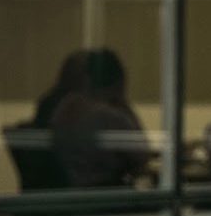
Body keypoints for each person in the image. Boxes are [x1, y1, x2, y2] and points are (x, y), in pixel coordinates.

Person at [49, 47, 152, 189]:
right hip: (104, 192)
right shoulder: (111, 117)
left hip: (68, 190)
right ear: (119, 82)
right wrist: (124, 104)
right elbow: (142, 156)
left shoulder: (66, 107)